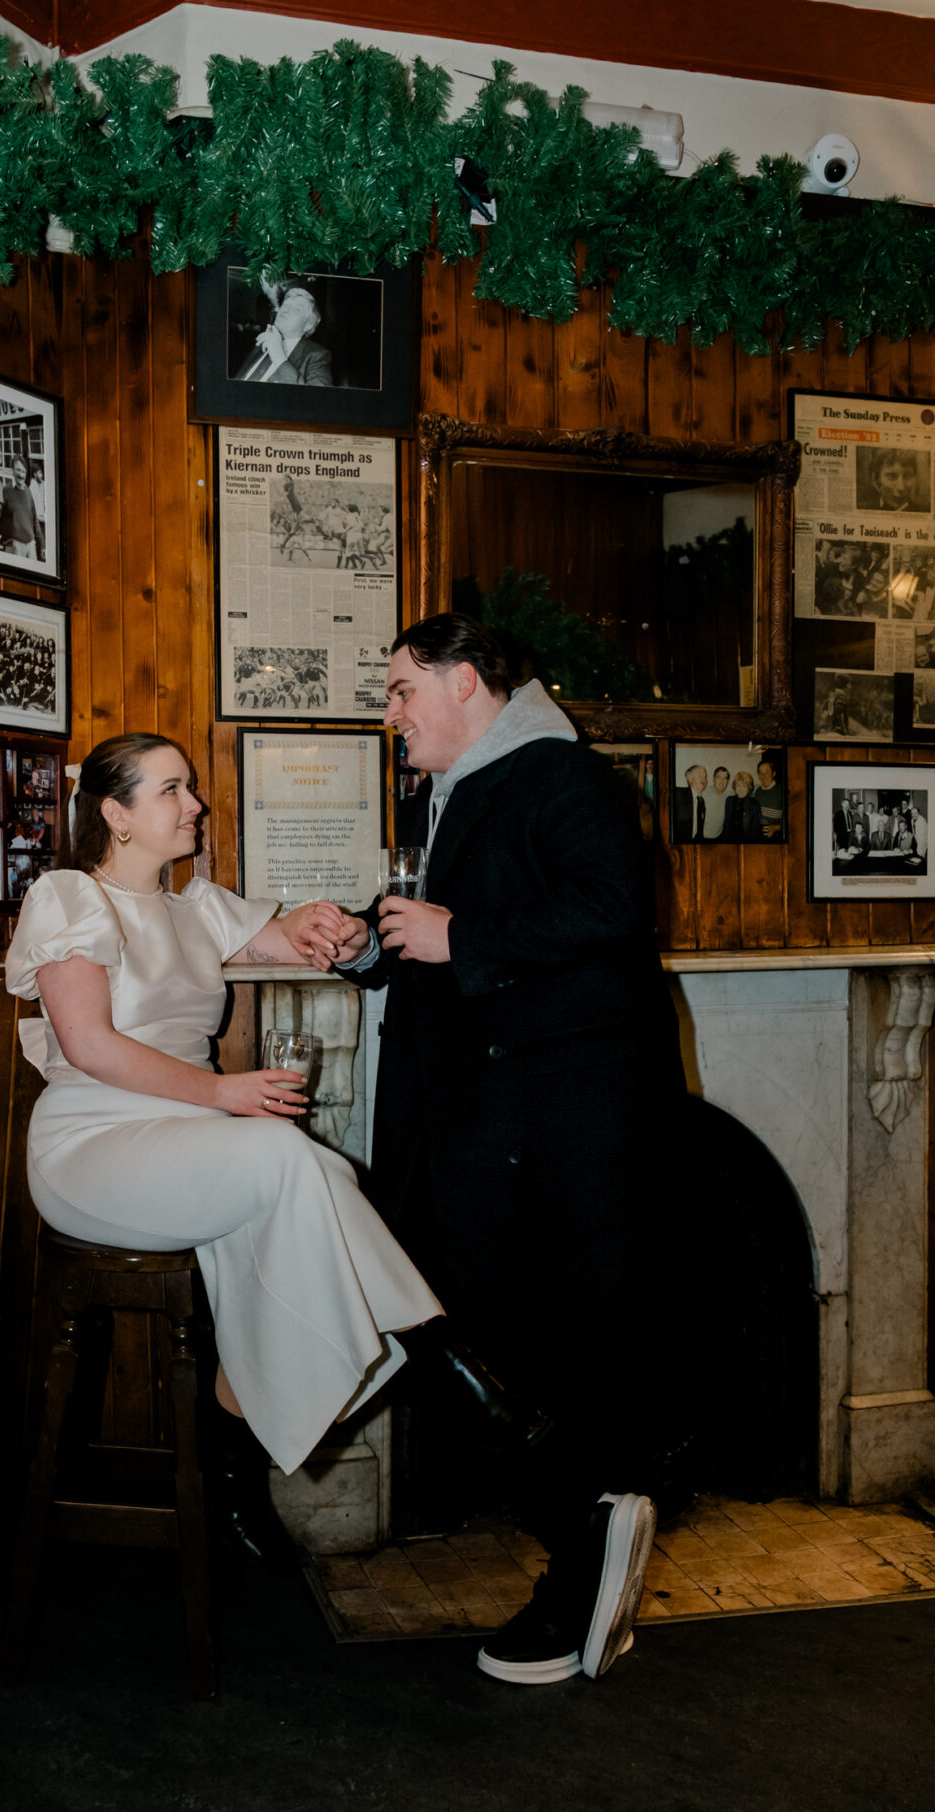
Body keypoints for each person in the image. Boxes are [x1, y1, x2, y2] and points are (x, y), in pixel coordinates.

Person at [323, 613, 688, 1687]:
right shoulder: (467, 781)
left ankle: (582, 1564)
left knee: (540, 1343)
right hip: (489, 1119)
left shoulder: (560, 779)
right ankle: (592, 1532)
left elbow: (613, 912)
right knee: (495, 1341)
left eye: (400, 690)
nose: (389, 715)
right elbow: (457, 928)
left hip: (549, 1127)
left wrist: (456, 940)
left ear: (467, 683)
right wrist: (366, 945)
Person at [3, 733, 442, 1551]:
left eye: (191, 789)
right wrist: (221, 1092)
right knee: (291, 1156)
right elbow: (90, 1045)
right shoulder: (69, 898)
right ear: (116, 814)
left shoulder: (195, 907)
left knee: (315, 1176)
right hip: (92, 1143)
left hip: (190, 1145)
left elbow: (295, 938)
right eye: (172, 790)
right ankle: (436, 1361)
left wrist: (333, 931)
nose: (195, 805)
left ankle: (237, 1474)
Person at [234, 284, 334, 386]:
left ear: (307, 325)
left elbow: (318, 399)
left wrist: (279, 358)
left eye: (296, 309)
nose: (286, 310)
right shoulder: (262, 342)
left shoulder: (318, 356)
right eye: (285, 305)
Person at [2, 455, 44, 561]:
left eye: (23, 471)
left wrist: (42, 544)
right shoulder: (5, 491)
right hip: (16, 546)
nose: (21, 474)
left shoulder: (28, 491)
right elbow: (0, 520)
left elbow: (34, 520)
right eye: (18, 470)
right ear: (12, 470)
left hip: (31, 545)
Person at [673, 761, 708, 841]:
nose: (704, 779)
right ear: (690, 779)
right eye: (700, 775)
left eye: (705, 776)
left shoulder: (702, 802)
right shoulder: (678, 793)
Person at [722, 771, 761, 840]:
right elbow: (726, 825)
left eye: (744, 786)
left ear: (749, 788)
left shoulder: (754, 804)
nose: (740, 789)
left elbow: (755, 832)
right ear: (735, 786)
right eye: (738, 785)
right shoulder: (729, 800)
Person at [754, 758, 784, 841]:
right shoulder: (758, 791)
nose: (764, 776)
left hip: (776, 836)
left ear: (774, 773)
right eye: (761, 773)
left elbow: (791, 818)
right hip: (759, 835)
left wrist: (776, 828)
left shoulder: (782, 791)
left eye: (767, 772)